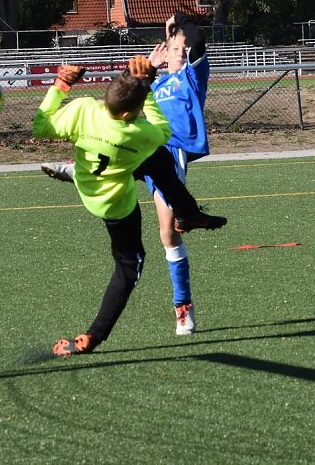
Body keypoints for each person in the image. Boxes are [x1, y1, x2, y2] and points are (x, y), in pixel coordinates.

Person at [32, 56, 226, 356]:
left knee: (157, 160)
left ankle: (186, 213)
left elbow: (41, 125)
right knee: (129, 266)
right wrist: (147, 90)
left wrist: (61, 85)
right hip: (112, 205)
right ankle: (92, 337)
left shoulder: (85, 109)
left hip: (91, 178)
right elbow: (163, 130)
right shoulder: (139, 133)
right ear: (129, 115)